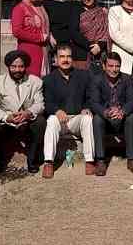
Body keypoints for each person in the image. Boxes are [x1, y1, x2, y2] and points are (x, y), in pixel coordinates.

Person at [0, 50, 46, 174]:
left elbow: (40, 104)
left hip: (26, 121)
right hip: (7, 123)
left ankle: (33, 162)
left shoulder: (36, 82)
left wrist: (28, 113)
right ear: (8, 67)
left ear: (25, 67)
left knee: (40, 122)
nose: (17, 70)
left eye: (21, 66)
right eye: (13, 66)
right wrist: (7, 117)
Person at [41, 45, 95, 178]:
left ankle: (89, 161)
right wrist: (56, 110)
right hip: (60, 122)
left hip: (77, 119)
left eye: (68, 56)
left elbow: (90, 97)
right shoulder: (49, 79)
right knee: (51, 120)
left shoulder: (83, 76)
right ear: (56, 59)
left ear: (72, 59)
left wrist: (87, 108)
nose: (65, 60)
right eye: (62, 56)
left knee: (88, 119)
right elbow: (47, 102)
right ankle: (48, 162)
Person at [88, 52, 133, 176]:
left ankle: (132, 159)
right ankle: (100, 161)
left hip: (121, 118)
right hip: (106, 118)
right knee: (97, 119)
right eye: (111, 66)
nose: (114, 69)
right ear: (104, 66)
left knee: (132, 117)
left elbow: (132, 101)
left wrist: (122, 111)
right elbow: (94, 103)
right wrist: (106, 112)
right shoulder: (97, 80)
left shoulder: (127, 79)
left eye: (117, 66)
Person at [11, 0, 50, 77]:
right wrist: (40, 37)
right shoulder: (19, 8)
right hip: (28, 50)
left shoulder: (37, 7)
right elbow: (17, 31)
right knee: (30, 79)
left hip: (42, 49)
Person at [42, 0, 83, 68]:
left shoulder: (75, 4)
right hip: (53, 44)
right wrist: (49, 36)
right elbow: (42, 23)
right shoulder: (45, 4)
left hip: (72, 44)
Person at [72, 0, 110, 72]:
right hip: (81, 54)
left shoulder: (102, 11)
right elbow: (73, 32)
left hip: (100, 54)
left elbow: (107, 32)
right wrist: (90, 46)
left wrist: (99, 45)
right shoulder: (76, 11)